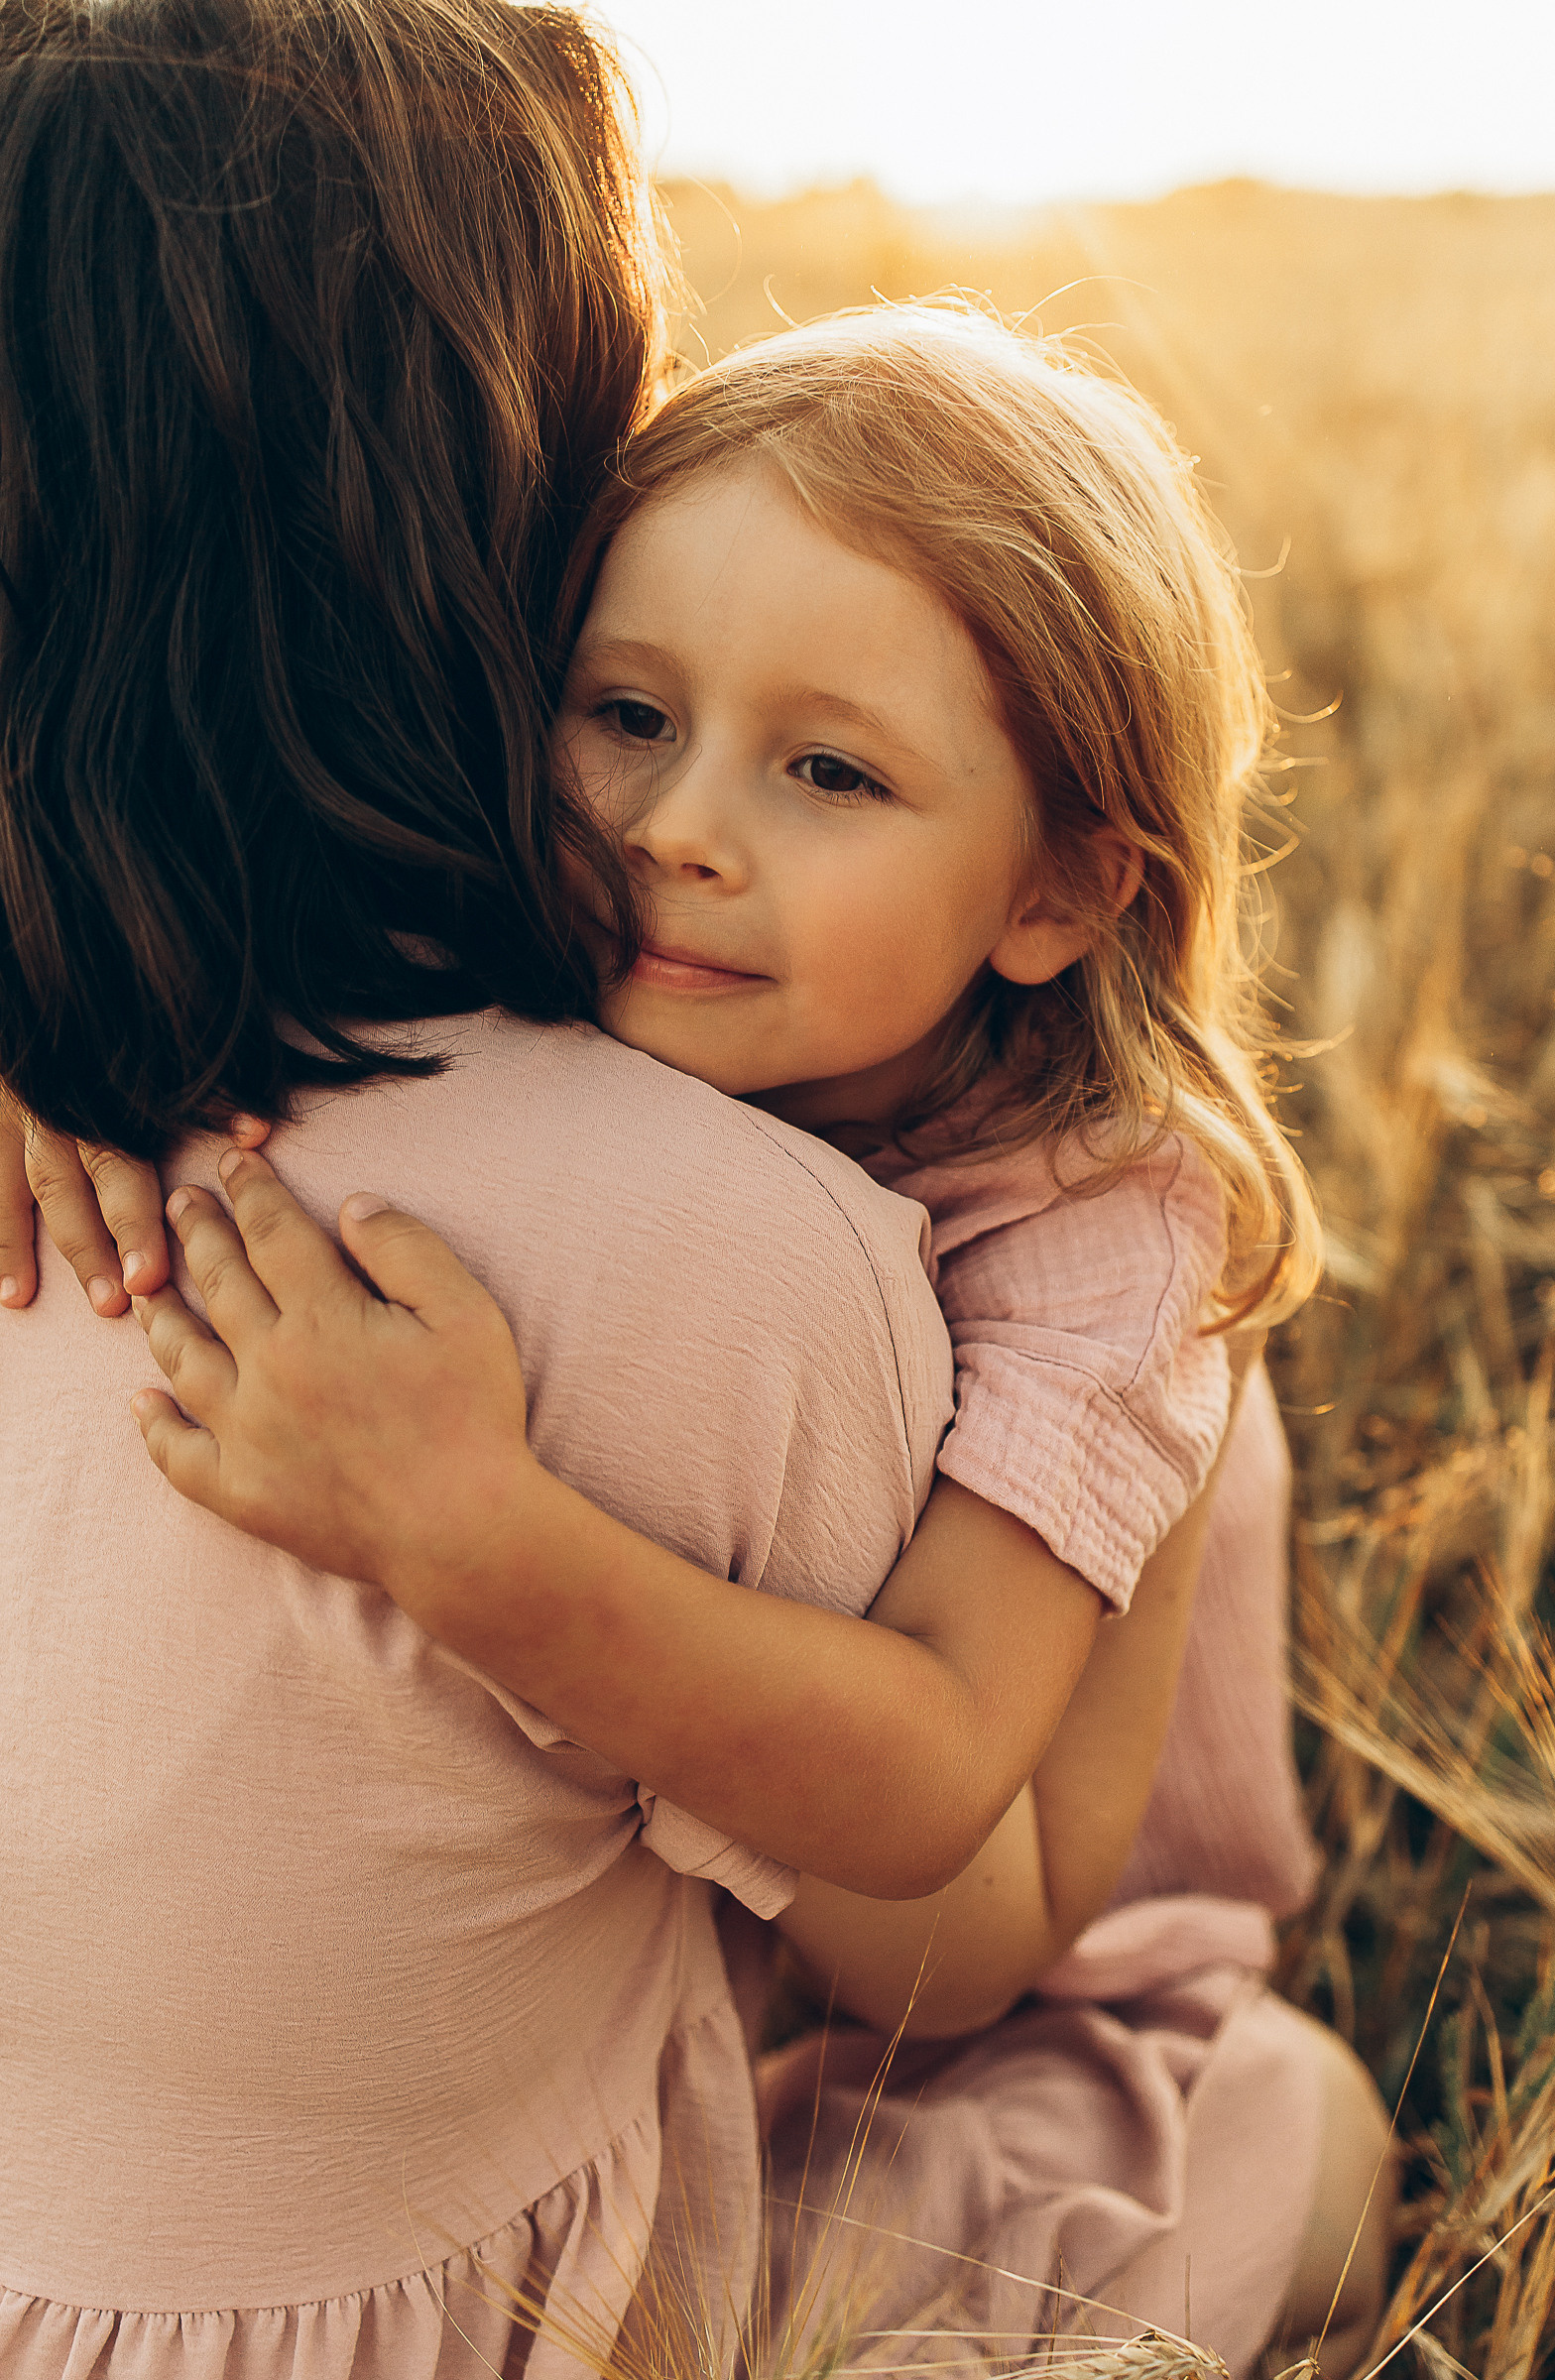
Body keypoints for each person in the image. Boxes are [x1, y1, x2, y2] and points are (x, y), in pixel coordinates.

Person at [11, 311, 1394, 2376]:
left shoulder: (1111, 1238)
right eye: (624, 712)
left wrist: (478, 1544)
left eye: (826, 769)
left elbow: (949, 1861)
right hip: (684, 1969)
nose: (676, 823)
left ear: (1053, 891)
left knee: (1300, 2128)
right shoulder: (632, 972)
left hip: (981, 1964)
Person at [0, 12, 980, 2375]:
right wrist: (1155, 1367)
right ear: (536, 481)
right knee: (1250, 2110)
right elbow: (921, 1943)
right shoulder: (746, 1260)